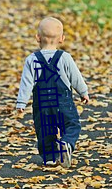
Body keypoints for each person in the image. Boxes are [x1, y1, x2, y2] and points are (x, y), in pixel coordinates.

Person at [16, 17, 89, 167]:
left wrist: (21, 102)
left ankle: (49, 158)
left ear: (37, 37)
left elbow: (26, 83)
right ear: (62, 39)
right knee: (72, 124)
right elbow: (75, 77)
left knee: (44, 129)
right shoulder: (65, 58)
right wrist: (83, 92)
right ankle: (67, 143)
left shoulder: (31, 59)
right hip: (62, 101)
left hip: (42, 103)